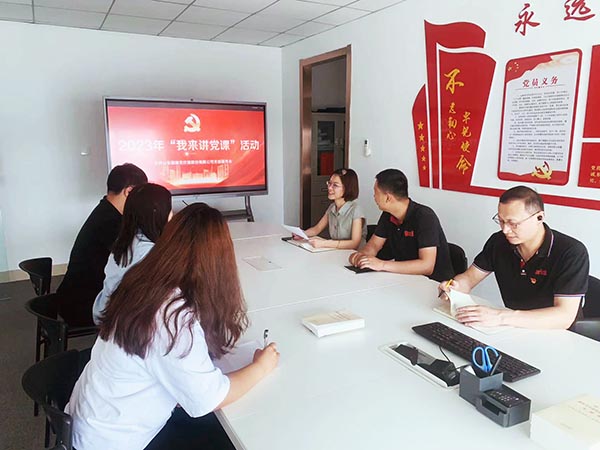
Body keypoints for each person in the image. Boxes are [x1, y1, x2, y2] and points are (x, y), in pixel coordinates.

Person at [66, 203, 280, 450]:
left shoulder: (143, 280)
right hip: (113, 440)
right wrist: (262, 366)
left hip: (92, 422)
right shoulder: (172, 316)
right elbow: (209, 399)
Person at [439, 186, 589, 330]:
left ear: (539, 217)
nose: (505, 230)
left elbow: (564, 317)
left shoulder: (571, 252)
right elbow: (469, 278)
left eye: (513, 223)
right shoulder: (499, 242)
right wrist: (454, 287)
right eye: (501, 221)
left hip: (557, 333)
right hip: (512, 327)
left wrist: (500, 317)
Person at [56, 163, 147, 327]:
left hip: (76, 297)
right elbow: (133, 261)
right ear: (129, 192)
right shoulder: (110, 222)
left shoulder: (106, 211)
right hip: (83, 305)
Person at [348, 168, 453, 282]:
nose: (374, 196)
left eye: (376, 192)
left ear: (388, 197)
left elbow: (426, 266)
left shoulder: (425, 216)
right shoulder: (388, 215)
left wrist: (382, 264)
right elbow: (374, 245)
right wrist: (361, 256)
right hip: (405, 279)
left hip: (434, 284)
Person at [92, 183, 172, 325]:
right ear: (159, 213)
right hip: (125, 325)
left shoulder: (124, 243)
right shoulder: (151, 254)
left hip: (104, 314)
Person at [299, 168, 366, 249]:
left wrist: (324, 243)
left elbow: (354, 243)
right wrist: (301, 234)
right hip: (337, 252)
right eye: (329, 183)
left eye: (335, 185)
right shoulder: (332, 207)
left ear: (348, 188)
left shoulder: (356, 210)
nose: (329, 188)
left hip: (354, 253)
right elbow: (317, 229)